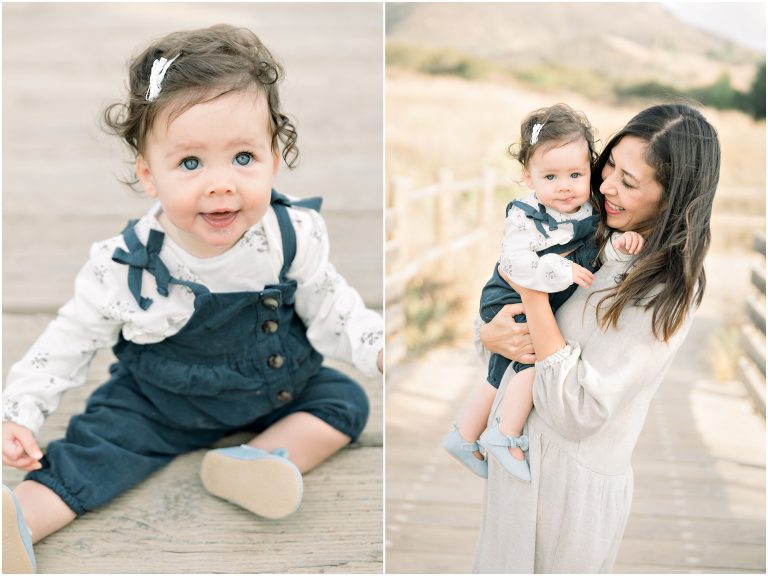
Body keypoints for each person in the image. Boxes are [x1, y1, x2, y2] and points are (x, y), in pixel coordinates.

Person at [2, 24, 383, 574]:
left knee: (345, 402)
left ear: (275, 155)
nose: (221, 184)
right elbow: (68, 338)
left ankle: (253, 461)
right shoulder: (126, 263)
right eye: (190, 163)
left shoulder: (290, 234)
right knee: (99, 445)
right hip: (159, 404)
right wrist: (19, 411)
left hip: (277, 390)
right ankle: (21, 521)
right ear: (147, 174)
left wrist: (376, 345)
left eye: (244, 157)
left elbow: (332, 304)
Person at [471, 102, 720, 573]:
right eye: (607, 169)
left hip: (568, 495)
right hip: (517, 468)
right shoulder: (590, 228)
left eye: (629, 183)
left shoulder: (665, 289)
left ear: (672, 197)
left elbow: (578, 410)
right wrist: (489, 331)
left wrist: (534, 296)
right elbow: (505, 312)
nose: (605, 187)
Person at [442, 104, 643, 481]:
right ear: (528, 178)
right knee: (532, 360)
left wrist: (622, 242)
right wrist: (561, 268)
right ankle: (505, 433)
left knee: (499, 372)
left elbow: (602, 244)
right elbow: (513, 265)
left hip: (534, 292)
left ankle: (465, 434)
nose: (564, 186)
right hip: (508, 293)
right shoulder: (525, 216)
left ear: (589, 172)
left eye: (575, 174)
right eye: (550, 176)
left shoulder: (587, 209)